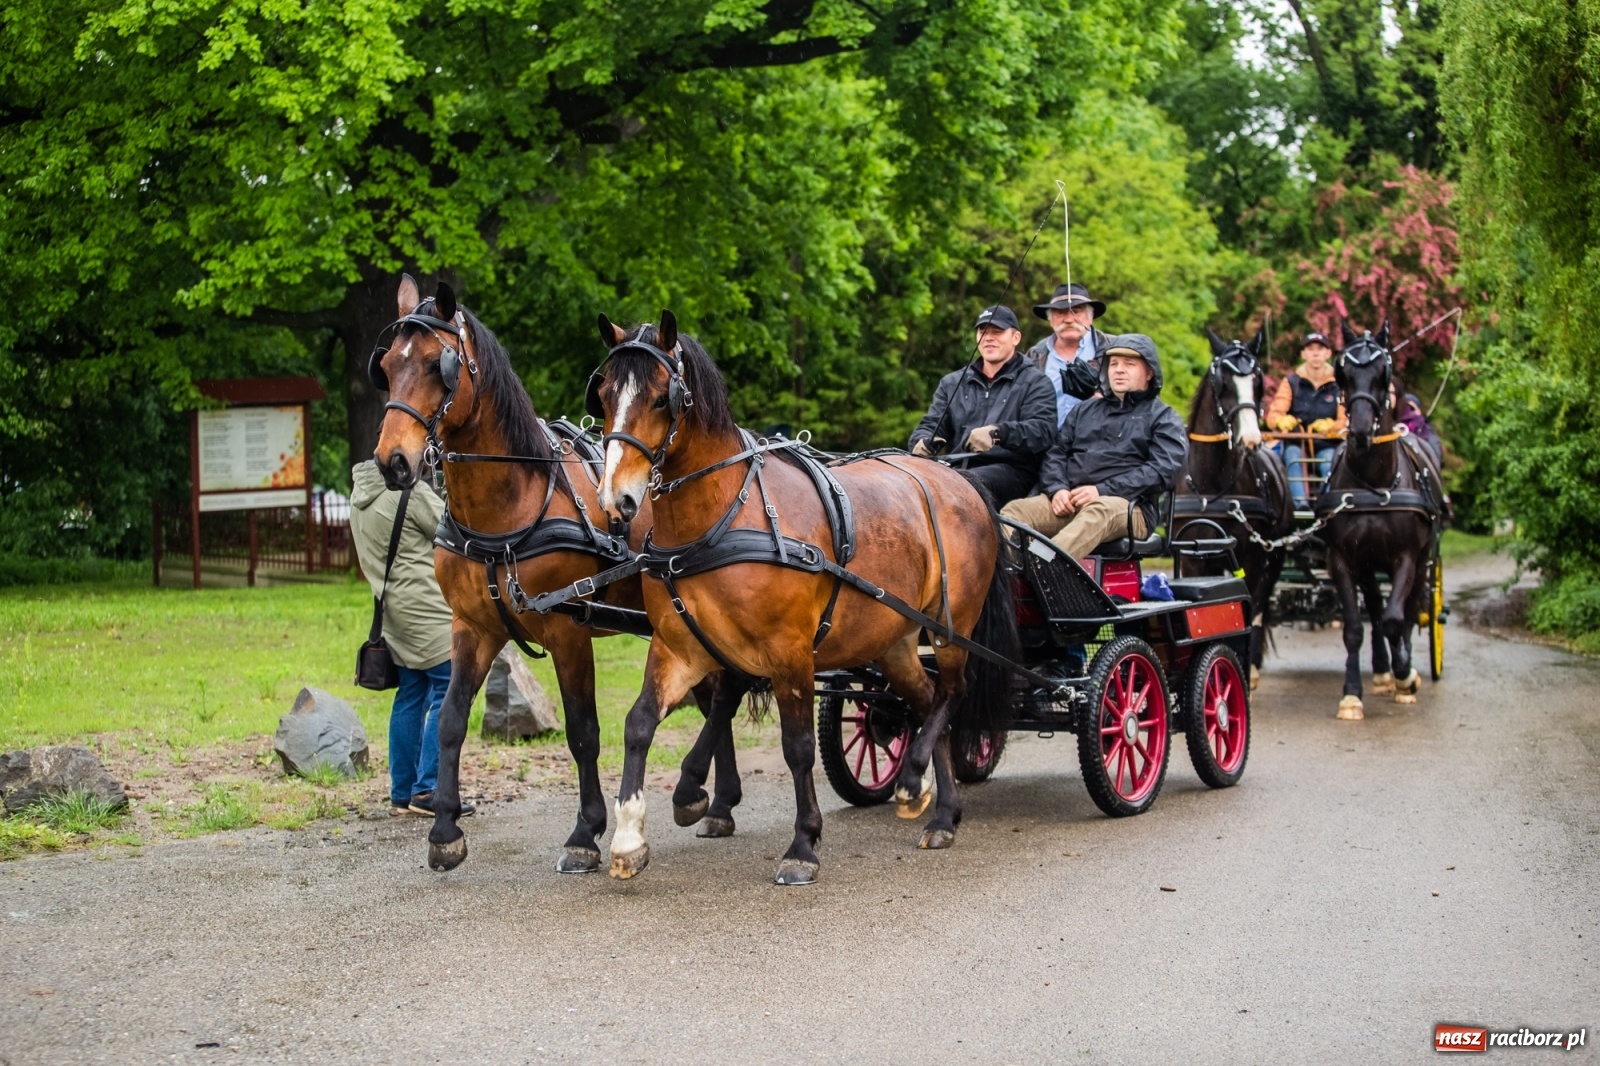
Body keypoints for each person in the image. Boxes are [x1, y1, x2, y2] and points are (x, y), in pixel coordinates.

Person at [349, 460, 471, 818]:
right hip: (426, 608)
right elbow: (453, 531)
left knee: (410, 695)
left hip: (391, 612)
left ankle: (402, 793)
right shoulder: (409, 495)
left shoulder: (360, 496)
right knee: (448, 688)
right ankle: (428, 788)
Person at [1000, 333, 1187, 560]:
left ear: (1149, 373)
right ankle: (1015, 573)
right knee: (1013, 513)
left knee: (1099, 511)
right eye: (1114, 363)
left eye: (1129, 364)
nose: (1119, 370)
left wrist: (1101, 490)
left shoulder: (1163, 417)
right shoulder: (1083, 411)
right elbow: (1056, 453)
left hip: (1130, 508)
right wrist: (1057, 488)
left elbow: (1163, 470)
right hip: (1070, 502)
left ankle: (1041, 565)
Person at [907, 304, 1057, 507]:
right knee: (903, 483)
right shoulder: (953, 382)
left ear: (1016, 338)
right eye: (982, 331)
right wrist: (921, 442)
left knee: (960, 484)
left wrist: (999, 433)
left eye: (997, 331)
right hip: (956, 469)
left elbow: (1043, 432)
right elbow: (931, 424)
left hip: (1013, 472)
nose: (988, 337)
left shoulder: (1036, 382)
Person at [1266, 331, 1346, 510]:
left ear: (1328, 353)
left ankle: (1327, 508)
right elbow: (1273, 415)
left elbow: (1345, 420)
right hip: (1297, 441)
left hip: (1327, 443)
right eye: (1310, 349)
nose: (1315, 353)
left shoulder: (1339, 385)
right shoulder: (1291, 382)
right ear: (1303, 354)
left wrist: (1331, 425)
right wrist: (1281, 421)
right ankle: (1300, 506)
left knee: (1329, 462)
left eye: (1320, 349)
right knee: (1293, 458)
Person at [1025, 282, 1106, 425]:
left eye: (1076, 311)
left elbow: (1141, 401)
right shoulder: (1034, 356)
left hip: (1101, 444)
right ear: (1050, 320)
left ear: (1090, 317)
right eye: (1060, 312)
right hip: (1046, 444)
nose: (1069, 319)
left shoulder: (1113, 350)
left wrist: (1105, 402)